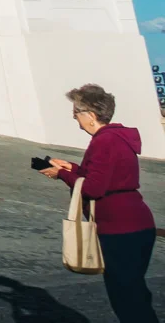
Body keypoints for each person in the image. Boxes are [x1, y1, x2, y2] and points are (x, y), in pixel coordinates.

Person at [42, 82, 157, 323]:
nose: (75, 119)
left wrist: (62, 174)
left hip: (120, 229)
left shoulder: (104, 141)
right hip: (136, 224)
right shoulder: (118, 137)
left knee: (126, 298)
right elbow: (105, 175)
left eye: (76, 113)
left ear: (91, 116)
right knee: (135, 293)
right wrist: (72, 167)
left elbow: (94, 188)